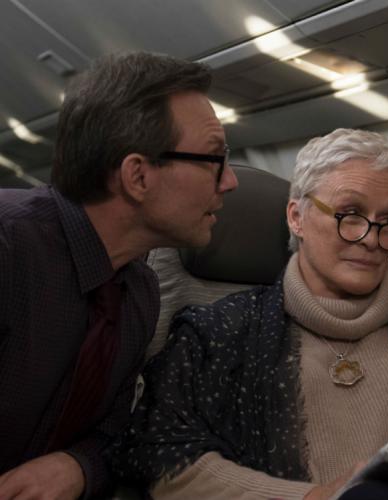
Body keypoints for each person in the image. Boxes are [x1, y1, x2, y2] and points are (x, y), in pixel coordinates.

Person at [112, 128, 388, 499]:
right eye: (350, 214)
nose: (371, 239)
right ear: (297, 217)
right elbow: (161, 455)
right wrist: (312, 498)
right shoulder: (218, 331)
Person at [0, 52, 239, 499]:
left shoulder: (138, 290)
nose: (230, 182)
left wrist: (79, 465)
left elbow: (114, 431)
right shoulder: (9, 248)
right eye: (214, 159)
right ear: (137, 176)